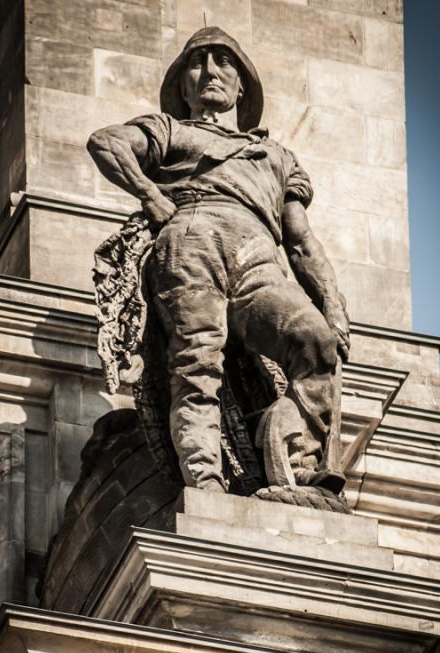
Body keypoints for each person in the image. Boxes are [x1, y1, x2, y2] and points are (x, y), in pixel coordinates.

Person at [87, 27, 349, 496]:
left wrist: (332, 301)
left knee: (316, 344)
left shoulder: (276, 157)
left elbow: (302, 241)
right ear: (182, 86)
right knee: (196, 365)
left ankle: (295, 460)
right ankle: (205, 484)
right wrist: (150, 195)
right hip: (190, 239)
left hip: (258, 255)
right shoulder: (170, 130)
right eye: (197, 63)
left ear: (242, 83)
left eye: (223, 62)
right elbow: (106, 142)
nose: (210, 71)